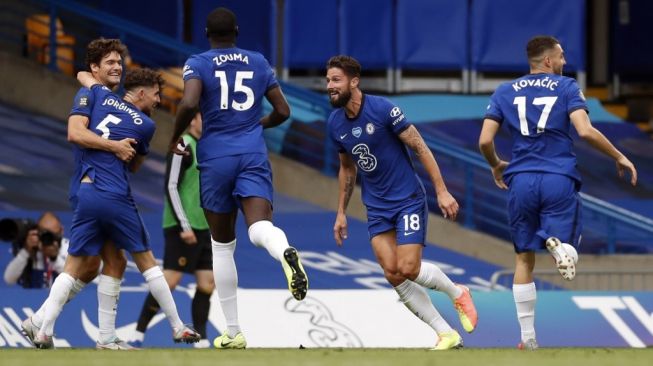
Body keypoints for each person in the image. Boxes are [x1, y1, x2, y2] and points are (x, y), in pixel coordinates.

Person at [478, 35, 638, 350]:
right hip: (558, 177)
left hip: (520, 179)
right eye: (562, 56)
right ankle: (562, 248)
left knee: (523, 258)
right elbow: (585, 130)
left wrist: (496, 164)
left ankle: (528, 339)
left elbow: (484, 140)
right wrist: (619, 156)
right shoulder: (567, 88)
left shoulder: (504, 91)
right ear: (549, 60)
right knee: (568, 243)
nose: (565, 62)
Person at [25, 68, 201, 349]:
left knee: (80, 266)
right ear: (141, 93)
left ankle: (45, 330)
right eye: (156, 95)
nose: (158, 101)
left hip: (85, 188)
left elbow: (83, 76)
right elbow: (135, 164)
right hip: (114, 194)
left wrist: (94, 83)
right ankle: (178, 326)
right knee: (147, 261)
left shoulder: (99, 97)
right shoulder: (145, 124)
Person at [170, 7, 308, 349]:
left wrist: (174, 133)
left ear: (206, 33)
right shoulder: (259, 62)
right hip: (252, 154)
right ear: (236, 30)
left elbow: (189, 102)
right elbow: (283, 111)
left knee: (221, 245)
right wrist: (255, 126)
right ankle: (285, 251)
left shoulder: (198, 62)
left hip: (215, 157)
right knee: (260, 227)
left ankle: (233, 331)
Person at [326, 55, 478, 351]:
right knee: (392, 272)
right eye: (328, 80)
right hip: (377, 206)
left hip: (407, 199)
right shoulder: (335, 123)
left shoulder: (383, 110)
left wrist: (442, 191)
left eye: (336, 80)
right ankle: (446, 334)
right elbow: (347, 168)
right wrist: (341, 212)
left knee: (409, 267)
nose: (329, 86)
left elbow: (420, 146)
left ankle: (457, 291)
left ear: (354, 82)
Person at [21, 38, 138, 350]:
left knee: (92, 265)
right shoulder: (87, 94)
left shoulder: (108, 99)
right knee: (97, 262)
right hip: (93, 187)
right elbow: (74, 132)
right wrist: (115, 146)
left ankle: (39, 321)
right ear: (95, 68)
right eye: (109, 62)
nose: (117, 67)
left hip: (106, 189)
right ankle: (98, 336)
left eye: (119, 62)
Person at [130, 113, 214, 348]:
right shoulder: (183, 144)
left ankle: (202, 338)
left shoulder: (207, 146)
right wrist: (184, 225)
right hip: (182, 226)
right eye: (202, 116)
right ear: (193, 119)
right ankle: (138, 333)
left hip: (204, 226)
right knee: (170, 281)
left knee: (207, 282)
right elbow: (171, 185)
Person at [3, 212, 66, 288]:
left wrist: (54, 258)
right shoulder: (31, 249)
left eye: (52, 235)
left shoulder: (69, 248)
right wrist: (26, 251)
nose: (47, 238)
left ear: (61, 231)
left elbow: (76, 280)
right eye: (44, 234)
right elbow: (9, 279)